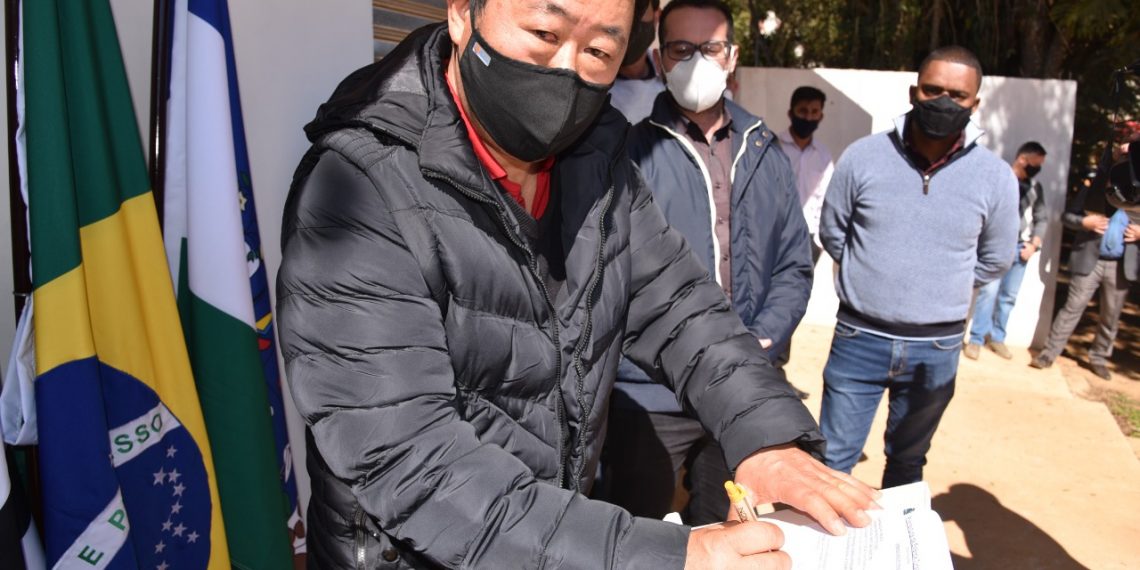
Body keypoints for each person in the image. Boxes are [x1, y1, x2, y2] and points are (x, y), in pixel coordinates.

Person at [277, 0, 878, 567]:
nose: (566, 71)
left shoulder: (599, 159)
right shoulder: (360, 191)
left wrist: (767, 437)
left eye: (599, 51)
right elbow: (414, 464)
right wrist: (671, 557)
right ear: (465, 13)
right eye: (544, 34)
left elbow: (683, 310)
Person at [601, 0, 814, 526]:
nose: (697, 60)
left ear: (732, 55)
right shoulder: (629, 152)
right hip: (650, 393)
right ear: (661, 56)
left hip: (743, 386)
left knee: (726, 529)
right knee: (638, 534)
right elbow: (612, 272)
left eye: (711, 48)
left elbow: (794, 262)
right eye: (682, 49)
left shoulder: (766, 150)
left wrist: (762, 337)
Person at [818, 45, 1019, 489]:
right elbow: (834, 232)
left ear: (975, 104)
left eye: (958, 95)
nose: (944, 102)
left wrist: (940, 289)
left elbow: (997, 257)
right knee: (832, 462)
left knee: (907, 465)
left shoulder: (995, 176)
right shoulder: (863, 157)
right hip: (859, 338)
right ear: (914, 91)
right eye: (933, 90)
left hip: (937, 348)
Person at [1030, 141, 1140, 380]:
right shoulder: (1097, 187)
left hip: (1121, 265)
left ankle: (1099, 358)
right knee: (1072, 308)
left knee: (1111, 316)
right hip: (1091, 259)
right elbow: (1067, 215)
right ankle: (1049, 354)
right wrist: (1084, 222)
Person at [964, 141, 1049, 360]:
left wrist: (1034, 243)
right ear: (1023, 159)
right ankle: (976, 340)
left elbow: (1042, 218)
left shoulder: (1035, 188)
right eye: (1036, 164)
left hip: (1022, 249)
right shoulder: (1000, 180)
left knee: (1009, 296)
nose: (1037, 169)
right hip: (995, 247)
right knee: (988, 292)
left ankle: (998, 338)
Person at [777, 86, 834, 264]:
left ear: (821, 116)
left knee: (801, 290)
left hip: (809, 238)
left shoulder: (823, 155)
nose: (808, 117)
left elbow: (826, 198)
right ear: (790, 113)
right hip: (776, 234)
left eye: (814, 112)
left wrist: (818, 241)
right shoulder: (773, 148)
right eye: (803, 111)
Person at [609, 0, 663, 124]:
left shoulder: (672, 77)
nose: (629, 19)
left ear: (656, 17)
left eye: (639, 7)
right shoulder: (585, 83)